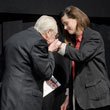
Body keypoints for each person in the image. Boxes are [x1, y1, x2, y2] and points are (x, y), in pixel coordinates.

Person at [50, 5, 110, 110]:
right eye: (63, 24)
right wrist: (69, 97)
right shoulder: (74, 42)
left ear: (76, 19)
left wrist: (59, 46)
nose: (64, 28)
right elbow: (74, 73)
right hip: (79, 100)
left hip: (95, 100)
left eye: (66, 23)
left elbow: (82, 55)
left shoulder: (94, 37)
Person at [0, 15, 59, 110]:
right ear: (48, 32)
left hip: (6, 97)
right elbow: (47, 73)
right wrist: (50, 51)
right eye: (55, 35)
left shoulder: (12, 38)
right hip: (25, 100)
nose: (56, 38)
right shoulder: (39, 42)